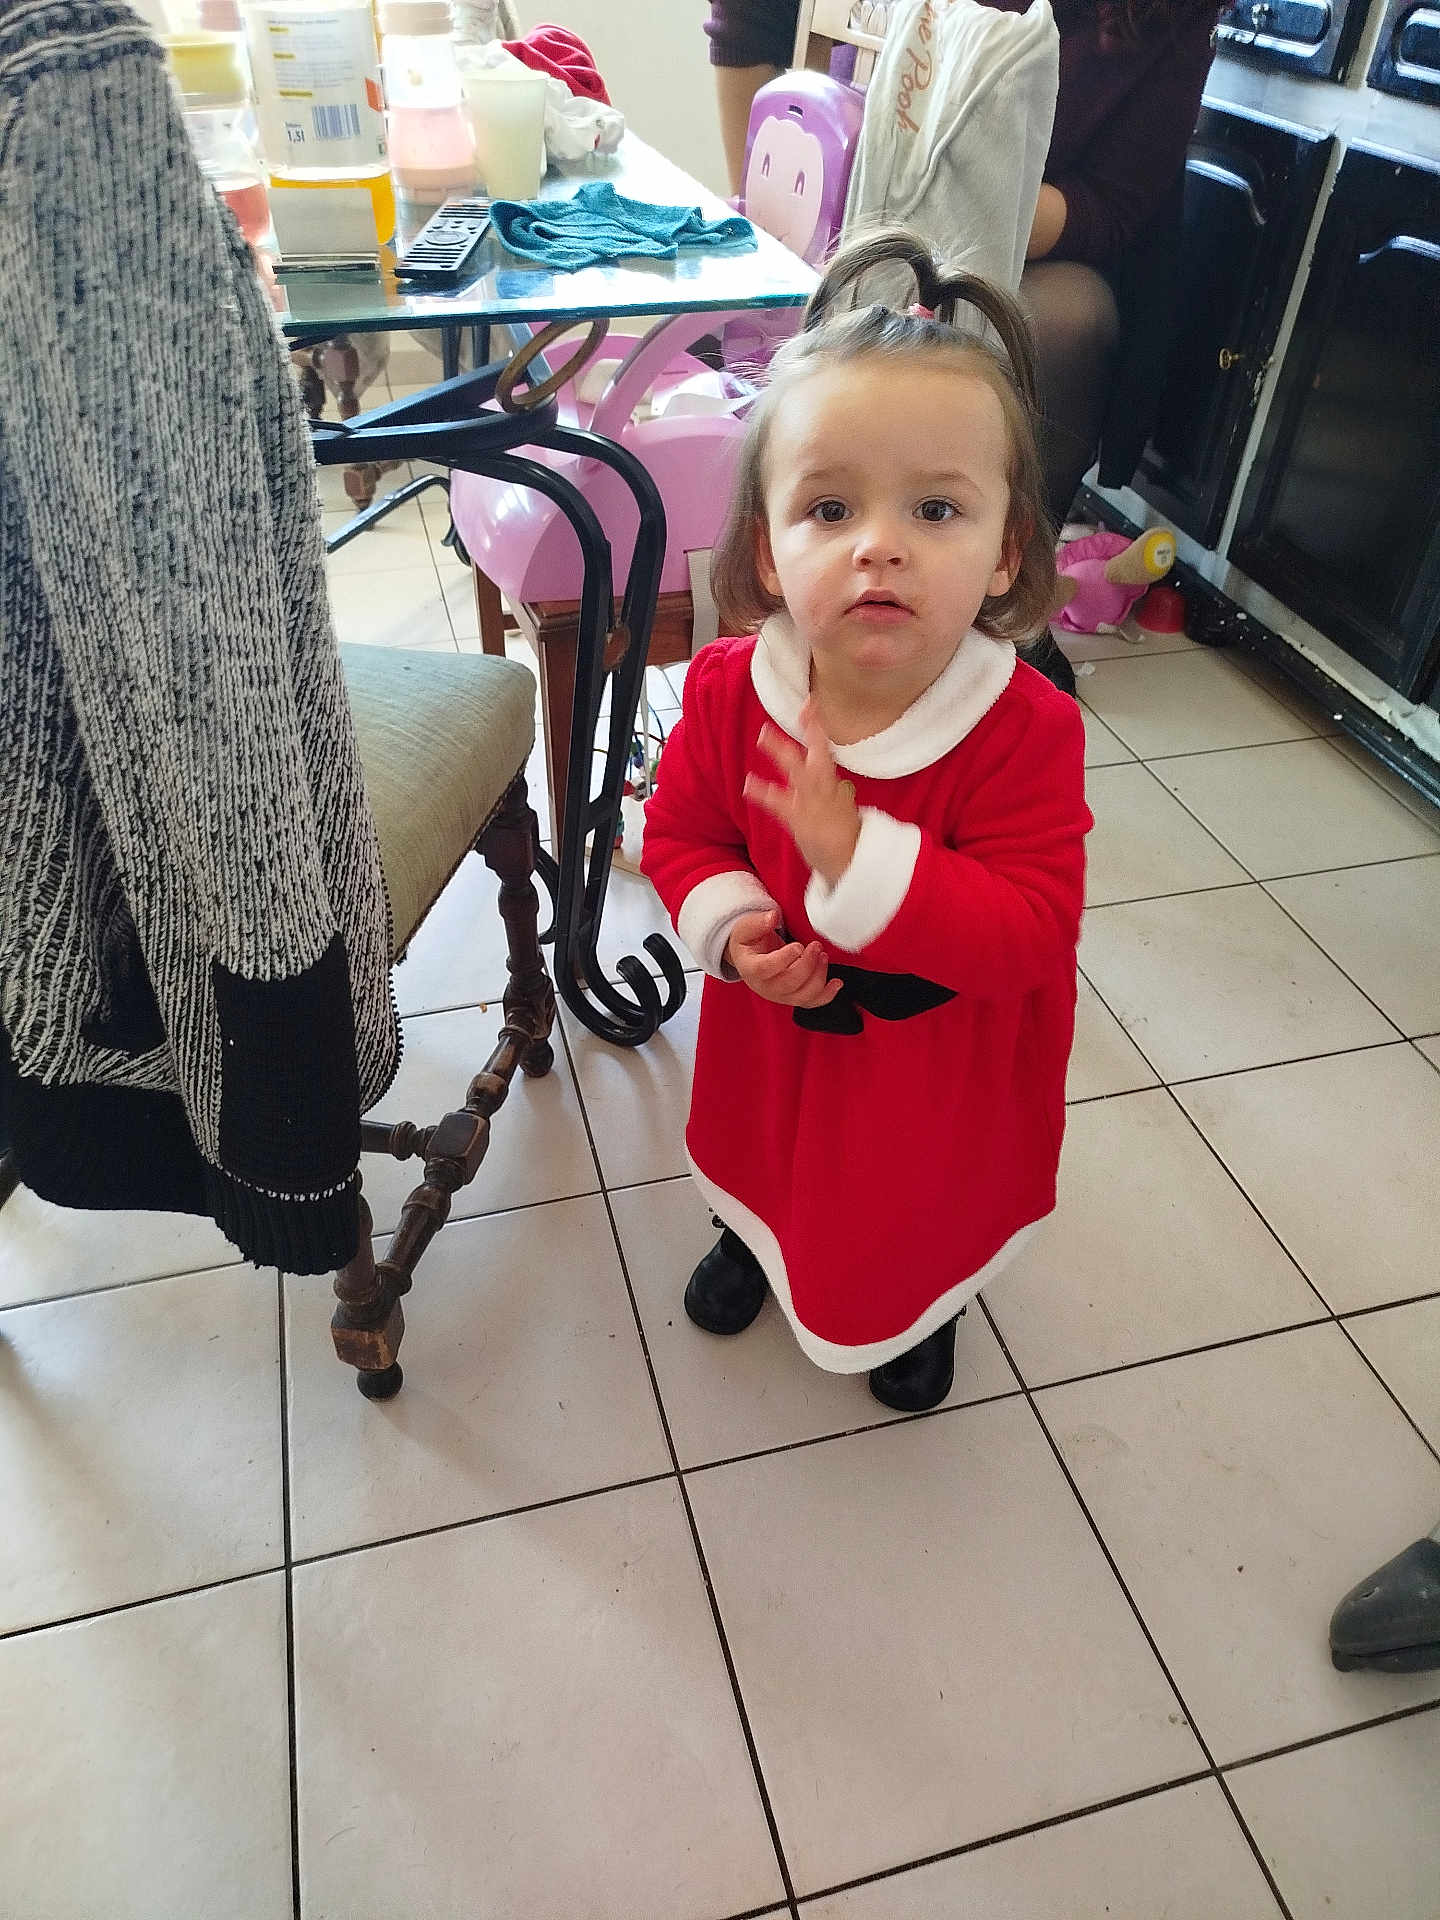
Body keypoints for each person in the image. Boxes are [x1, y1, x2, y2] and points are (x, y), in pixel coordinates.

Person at [642, 228, 1091, 1413]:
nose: (879, 544)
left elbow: (1031, 934)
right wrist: (735, 931)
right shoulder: (737, 692)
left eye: (935, 509)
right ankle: (753, 1239)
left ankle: (918, 1302)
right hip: (774, 1048)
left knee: (906, 1205)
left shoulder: (1024, 732)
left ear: (1007, 552)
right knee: (765, 1161)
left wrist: (861, 859)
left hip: (932, 1078)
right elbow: (684, 838)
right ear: (770, 552)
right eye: (830, 506)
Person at [704, 0, 1221, 526]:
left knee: (1067, 320)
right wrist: (780, 211)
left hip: (1017, 243)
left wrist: (953, 193)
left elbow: (1107, 208)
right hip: (839, 194)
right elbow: (746, 22)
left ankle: (1002, 575)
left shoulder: (1169, 16)